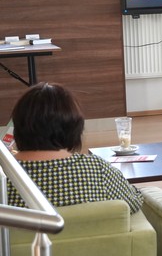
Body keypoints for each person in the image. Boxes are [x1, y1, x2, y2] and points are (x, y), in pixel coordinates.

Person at [7, 82, 143, 213]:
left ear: (18, 127)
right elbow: (133, 202)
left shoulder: (5, 175)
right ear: (74, 128)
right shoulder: (97, 169)